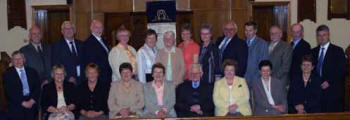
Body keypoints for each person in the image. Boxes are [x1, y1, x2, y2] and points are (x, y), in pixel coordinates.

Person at [311, 25, 347, 112]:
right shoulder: (313, 51)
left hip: (332, 91)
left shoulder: (338, 51)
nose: (322, 37)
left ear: (328, 35)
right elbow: (311, 70)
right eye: (319, 35)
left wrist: (329, 81)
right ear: (317, 37)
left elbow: (342, 70)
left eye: (324, 35)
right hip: (317, 91)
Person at [3, 51, 40, 120]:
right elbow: (9, 92)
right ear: (12, 61)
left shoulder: (32, 71)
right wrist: (22, 102)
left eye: (20, 58)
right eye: (15, 59)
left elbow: (37, 87)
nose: (18, 61)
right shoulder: (7, 74)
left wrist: (32, 101)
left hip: (31, 101)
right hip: (17, 103)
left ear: (24, 59)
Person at [52, 21, 84, 85]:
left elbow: (84, 61)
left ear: (74, 31)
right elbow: (56, 64)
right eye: (66, 29)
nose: (69, 30)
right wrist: (67, 77)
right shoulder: (57, 45)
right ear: (62, 31)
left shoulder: (81, 44)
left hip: (82, 80)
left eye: (71, 28)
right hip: (66, 81)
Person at [82, 19, 112, 84]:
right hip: (98, 78)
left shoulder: (103, 40)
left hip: (107, 76)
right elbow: (90, 63)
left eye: (101, 27)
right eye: (96, 27)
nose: (99, 29)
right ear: (91, 28)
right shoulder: (88, 43)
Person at [243, 21, 269, 85]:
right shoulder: (242, 42)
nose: (247, 33)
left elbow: (263, 63)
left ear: (255, 31)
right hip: (242, 79)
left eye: (250, 30)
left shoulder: (262, 43)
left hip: (256, 79)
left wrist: (256, 78)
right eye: (246, 30)